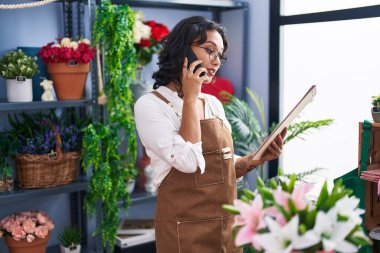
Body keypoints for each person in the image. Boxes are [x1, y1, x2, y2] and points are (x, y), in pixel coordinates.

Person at [134, 16, 286, 253]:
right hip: (183, 235)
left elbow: (218, 166)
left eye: (220, 55)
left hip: (227, 231)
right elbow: (189, 162)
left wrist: (252, 160)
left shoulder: (213, 103)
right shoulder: (150, 105)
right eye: (209, 50)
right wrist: (191, 98)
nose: (217, 61)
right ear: (183, 49)